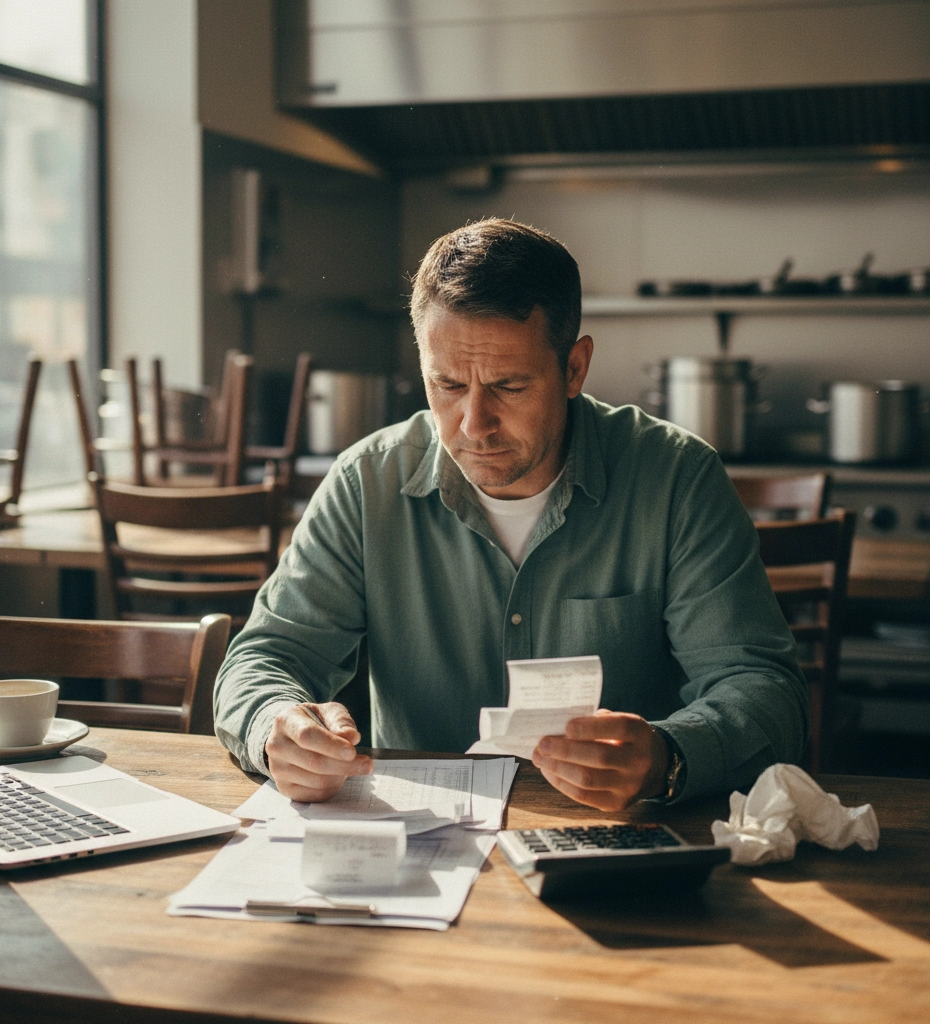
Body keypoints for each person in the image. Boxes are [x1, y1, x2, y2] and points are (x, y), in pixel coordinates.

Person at [213, 218, 807, 810]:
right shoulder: (367, 483)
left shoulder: (676, 479)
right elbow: (265, 657)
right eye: (446, 385)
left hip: (613, 837)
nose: (474, 424)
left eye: (509, 386)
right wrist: (275, 727)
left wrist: (669, 756)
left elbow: (761, 688)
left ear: (574, 368)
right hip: (419, 842)